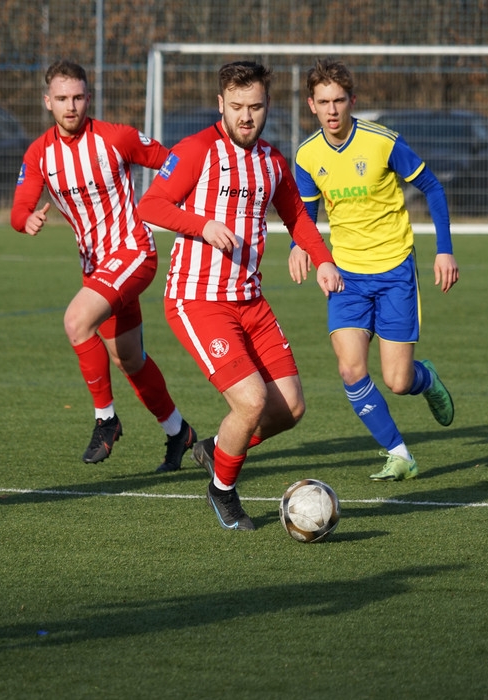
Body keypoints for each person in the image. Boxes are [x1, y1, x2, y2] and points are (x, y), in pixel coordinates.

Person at [137, 60, 344, 530]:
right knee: (250, 401)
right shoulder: (196, 150)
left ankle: (216, 449)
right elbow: (150, 204)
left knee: (290, 408)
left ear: (267, 105)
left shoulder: (272, 160)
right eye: (236, 106)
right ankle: (223, 491)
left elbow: (297, 217)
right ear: (220, 104)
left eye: (254, 106)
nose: (246, 116)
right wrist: (203, 226)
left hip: (250, 301)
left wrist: (324, 259)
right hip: (198, 299)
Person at [11, 59, 197, 473]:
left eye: (78, 97)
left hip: (133, 252)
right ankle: (178, 432)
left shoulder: (117, 137)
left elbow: (172, 163)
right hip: (97, 267)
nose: (71, 106)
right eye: (62, 98)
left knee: (76, 322)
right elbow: (19, 207)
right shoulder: (39, 154)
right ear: (47, 102)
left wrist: (183, 209)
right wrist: (26, 220)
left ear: (89, 98)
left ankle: (106, 420)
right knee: (129, 359)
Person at [291, 58, 458, 482]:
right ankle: (400, 454)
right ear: (311, 104)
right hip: (346, 277)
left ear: (352, 100)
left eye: (339, 100)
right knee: (350, 369)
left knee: (398, 381)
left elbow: (432, 186)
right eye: (323, 102)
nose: (332, 110)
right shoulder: (307, 155)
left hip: (394, 271)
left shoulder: (382, 142)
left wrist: (444, 251)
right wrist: (299, 247)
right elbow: (305, 213)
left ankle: (426, 380)